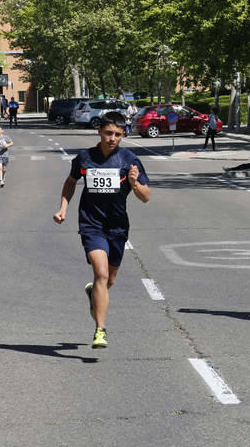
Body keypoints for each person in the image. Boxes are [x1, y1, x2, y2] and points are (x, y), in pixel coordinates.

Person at [53, 111, 150, 349]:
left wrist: (134, 182)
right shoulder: (85, 158)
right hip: (91, 224)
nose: (112, 138)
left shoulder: (130, 160)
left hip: (117, 226)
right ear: (99, 132)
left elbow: (146, 197)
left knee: (110, 279)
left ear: (123, 135)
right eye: (108, 133)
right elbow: (70, 181)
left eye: (118, 134)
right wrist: (63, 208)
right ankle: (100, 330)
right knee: (101, 274)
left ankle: (94, 295)